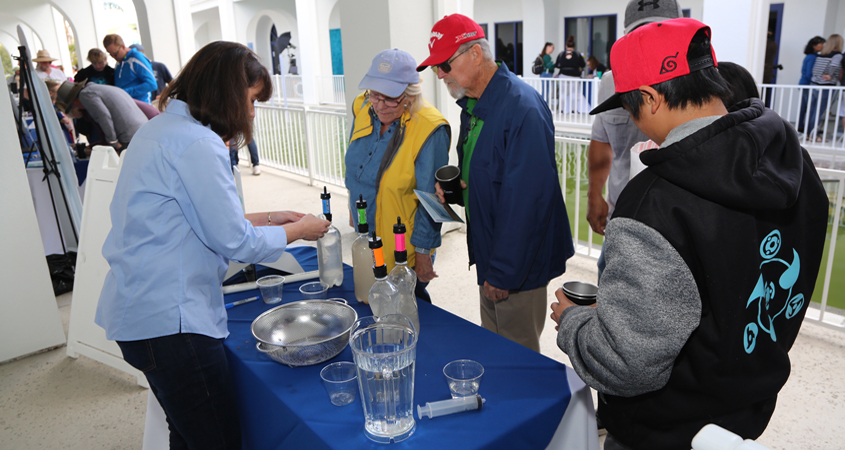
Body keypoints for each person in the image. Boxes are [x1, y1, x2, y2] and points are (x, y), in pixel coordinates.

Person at [552, 18, 829, 450]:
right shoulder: (794, 161)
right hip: (746, 409)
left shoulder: (656, 202)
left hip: (665, 430)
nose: (631, 120)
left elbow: (627, 364)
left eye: (628, 107)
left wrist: (573, 321)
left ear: (649, 98)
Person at [95, 41, 330, 450]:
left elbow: (199, 217)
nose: (252, 113)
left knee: (186, 433)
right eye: (251, 100)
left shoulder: (161, 130)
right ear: (226, 93)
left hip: (142, 312)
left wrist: (275, 217)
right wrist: (300, 230)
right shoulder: (197, 144)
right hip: (172, 324)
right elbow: (235, 240)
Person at [419, 14, 574, 351]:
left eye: (444, 64)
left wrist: (503, 273)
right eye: (435, 69)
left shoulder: (522, 108)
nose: (440, 74)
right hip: (494, 253)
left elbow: (528, 203)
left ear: (476, 53)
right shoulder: (473, 105)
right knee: (493, 346)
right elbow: (491, 174)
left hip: (517, 265)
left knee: (516, 357)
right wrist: (457, 190)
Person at [587, 0, 682, 279]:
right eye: (639, 37)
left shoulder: (693, 84)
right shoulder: (609, 82)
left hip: (673, 231)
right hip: (621, 220)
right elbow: (601, 142)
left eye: (659, 34)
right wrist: (594, 195)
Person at [345, 49, 450, 303]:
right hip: (366, 233)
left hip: (402, 244)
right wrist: (352, 206)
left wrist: (424, 256)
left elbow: (431, 199)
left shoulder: (429, 127)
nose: (379, 105)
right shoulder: (363, 105)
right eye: (374, 94)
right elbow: (355, 164)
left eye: (390, 98)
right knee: (368, 300)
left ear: (409, 94)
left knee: (405, 308)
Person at [54, 80, 148, 154]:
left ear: (74, 102)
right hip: (142, 130)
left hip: (130, 136)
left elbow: (104, 117)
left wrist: (113, 142)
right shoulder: (96, 89)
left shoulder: (85, 95)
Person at [805, 34, 842, 139]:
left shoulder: (821, 55)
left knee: (811, 110)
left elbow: (815, 70)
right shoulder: (837, 55)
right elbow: (834, 66)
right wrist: (829, 75)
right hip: (825, 86)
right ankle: (815, 135)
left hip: (814, 84)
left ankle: (808, 133)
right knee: (819, 111)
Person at [103, 34, 157, 104]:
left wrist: (125, 93)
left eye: (115, 53)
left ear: (123, 46)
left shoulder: (136, 58)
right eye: (110, 54)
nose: (113, 57)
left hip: (140, 105)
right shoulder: (119, 63)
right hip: (124, 104)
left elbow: (151, 84)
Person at [797, 36, 825, 133]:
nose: (823, 46)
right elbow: (809, 73)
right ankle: (804, 128)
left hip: (804, 84)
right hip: (807, 84)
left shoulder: (810, 56)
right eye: (820, 44)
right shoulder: (813, 57)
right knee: (808, 107)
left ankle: (801, 126)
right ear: (814, 46)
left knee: (804, 106)